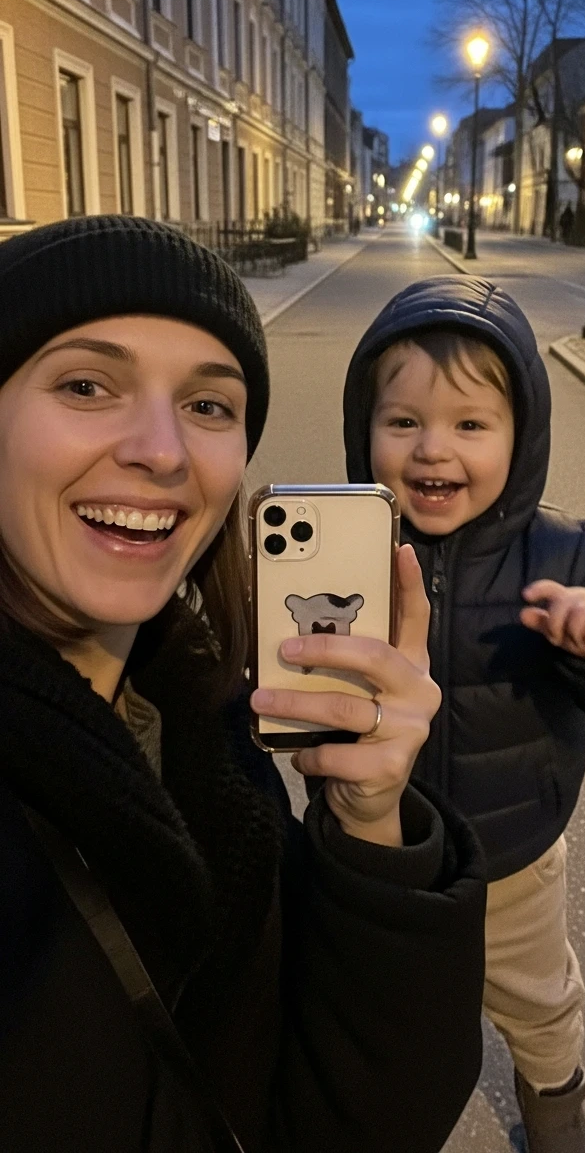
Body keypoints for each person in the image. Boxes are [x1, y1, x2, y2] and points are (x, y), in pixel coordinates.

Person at [0, 220, 487, 1153]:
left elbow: (357, 1121)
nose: (163, 451)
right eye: (86, 386)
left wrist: (374, 828)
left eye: (209, 404)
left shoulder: (205, 714)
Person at [342, 276, 585, 1153]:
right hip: (382, 856)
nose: (433, 449)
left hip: (514, 856)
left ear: (521, 434)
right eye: (403, 422)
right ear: (364, 429)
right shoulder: (347, 548)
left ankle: (553, 1096)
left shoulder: (564, 552)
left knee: (537, 1000)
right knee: (382, 1002)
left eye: (470, 425)